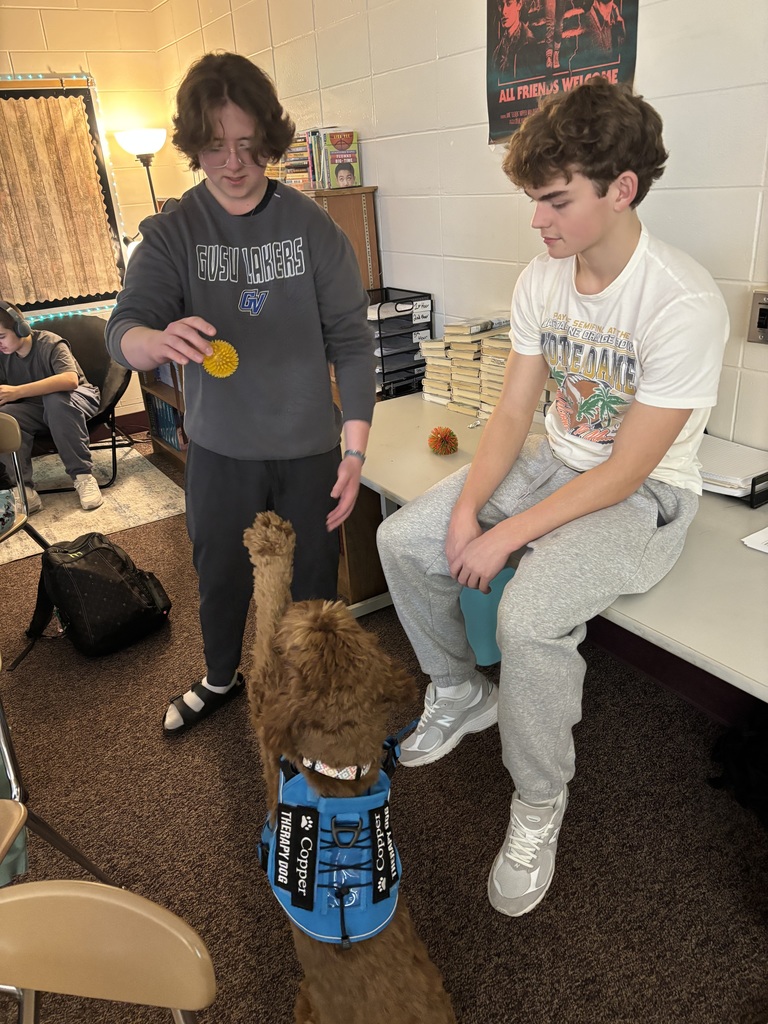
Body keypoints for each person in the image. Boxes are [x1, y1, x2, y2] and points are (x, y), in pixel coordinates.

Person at [377, 78, 728, 918]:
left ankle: (538, 803)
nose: (538, 219)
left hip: (647, 495)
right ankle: (461, 693)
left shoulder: (682, 303)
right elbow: (511, 410)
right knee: (405, 540)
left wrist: (504, 540)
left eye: (556, 200)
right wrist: (465, 514)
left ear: (622, 190)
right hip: (553, 461)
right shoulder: (546, 278)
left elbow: (627, 471)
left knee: (527, 617)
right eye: (535, 200)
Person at [105, 52, 375, 736]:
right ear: (194, 146)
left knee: (313, 575)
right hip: (223, 448)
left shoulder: (314, 227)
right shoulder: (173, 232)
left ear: (270, 140)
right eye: (217, 146)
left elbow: (350, 339)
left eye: (249, 146)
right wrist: (154, 341)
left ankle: (306, 689)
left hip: (310, 444)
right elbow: (125, 327)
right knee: (219, 568)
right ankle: (222, 676)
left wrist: (354, 452)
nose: (233, 162)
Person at [0, 300, 103, 513]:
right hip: (37, 408)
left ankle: (83, 477)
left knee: (55, 399)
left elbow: (69, 380)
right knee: (6, 416)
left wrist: (17, 391)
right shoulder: (3, 356)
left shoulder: (50, 342)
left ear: (21, 327)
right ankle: (24, 489)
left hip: (76, 399)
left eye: (1, 337)